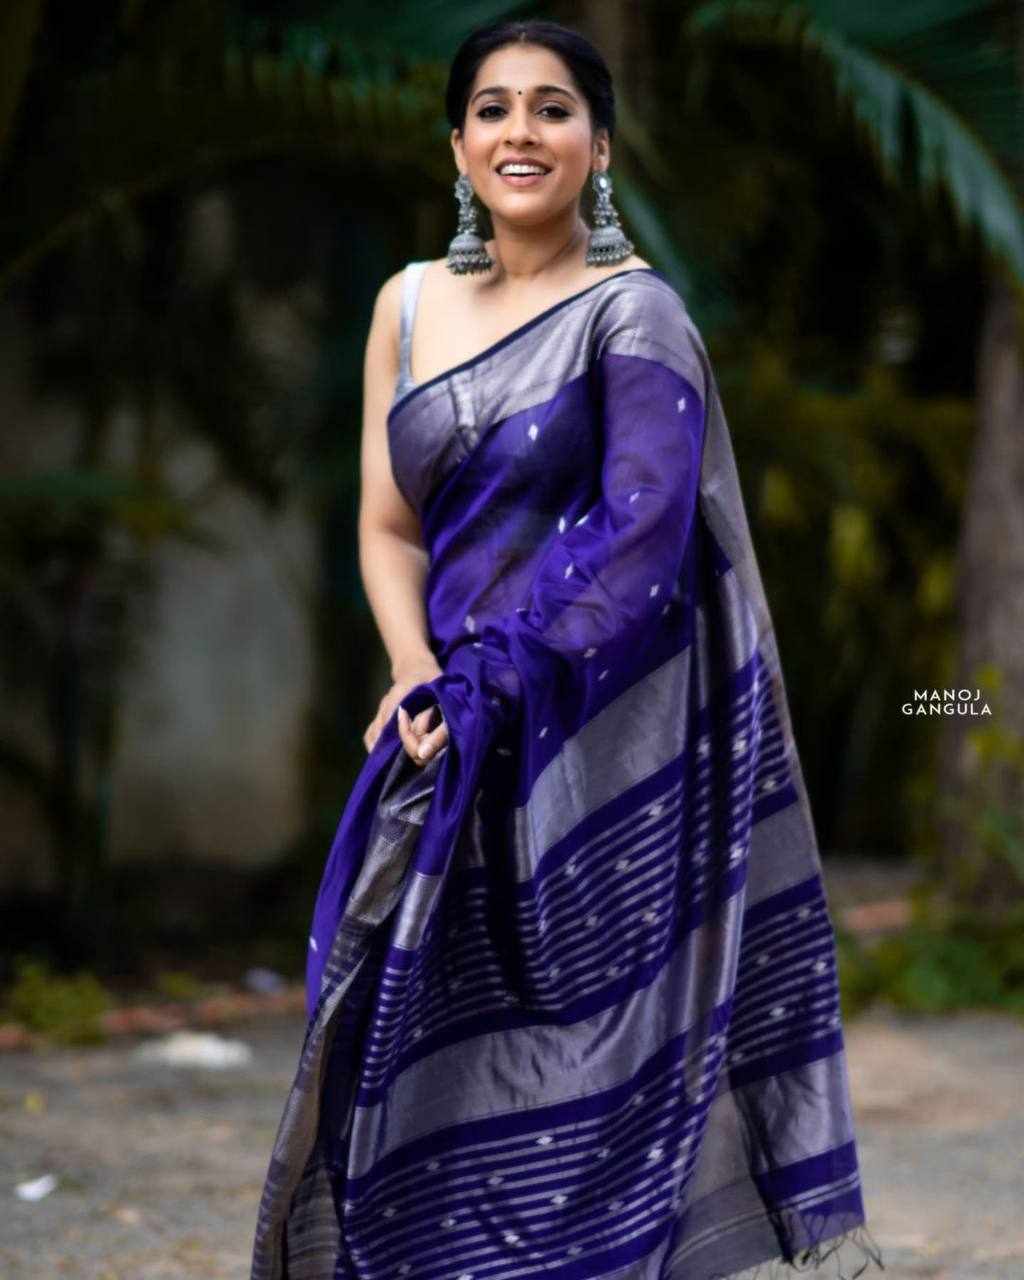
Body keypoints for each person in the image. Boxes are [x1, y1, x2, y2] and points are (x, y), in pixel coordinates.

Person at [250, 19, 884, 1280]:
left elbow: (641, 532)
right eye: (492, 109)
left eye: (552, 108)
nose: (520, 132)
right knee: (397, 1036)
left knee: (588, 1056)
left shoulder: (633, 314)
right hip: (448, 733)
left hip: (599, 745)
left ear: (599, 148)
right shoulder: (405, 306)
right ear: (457, 146)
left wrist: (499, 679)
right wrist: (415, 669)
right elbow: (387, 524)